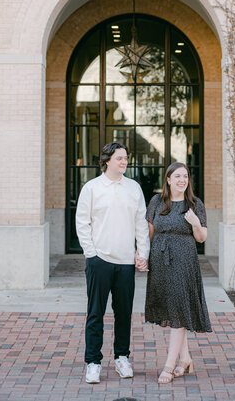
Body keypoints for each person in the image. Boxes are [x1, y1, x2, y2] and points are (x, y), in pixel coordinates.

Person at [76, 141, 150, 385]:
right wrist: (91, 254)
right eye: (119, 158)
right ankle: (93, 363)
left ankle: (121, 357)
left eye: (126, 158)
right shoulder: (92, 188)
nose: (124, 162)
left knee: (124, 314)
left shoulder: (134, 188)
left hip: (126, 263)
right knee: (95, 314)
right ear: (107, 160)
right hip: (100, 261)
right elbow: (82, 222)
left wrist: (142, 253)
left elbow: (141, 224)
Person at [144, 161, 212, 384]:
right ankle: (186, 359)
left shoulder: (194, 203)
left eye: (185, 176)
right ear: (168, 179)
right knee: (173, 310)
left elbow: (202, 238)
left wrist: (194, 223)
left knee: (179, 311)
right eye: (178, 176)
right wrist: (142, 256)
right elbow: (149, 232)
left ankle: (169, 365)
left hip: (184, 262)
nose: (182, 180)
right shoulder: (157, 201)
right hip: (161, 261)